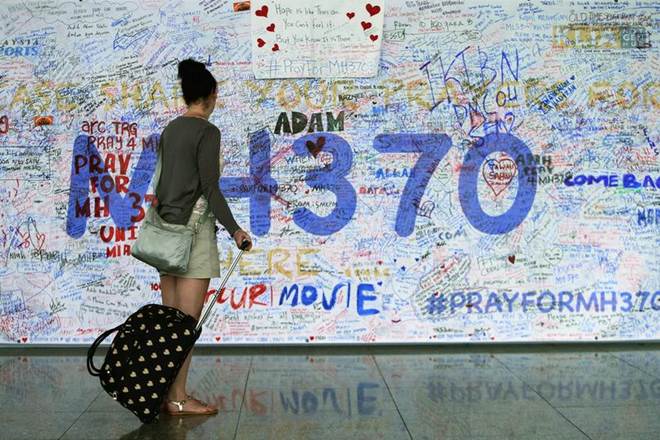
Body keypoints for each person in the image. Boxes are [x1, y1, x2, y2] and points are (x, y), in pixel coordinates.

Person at [154, 58, 252, 416]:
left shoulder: (169, 131)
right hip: (194, 237)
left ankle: (168, 395)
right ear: (211, 95)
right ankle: (178, 399)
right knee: (186, 326)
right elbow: (211, 189)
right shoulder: (208, 133)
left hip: (166, 235)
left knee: (171, 323)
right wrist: (235, 229)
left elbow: (163, 185)